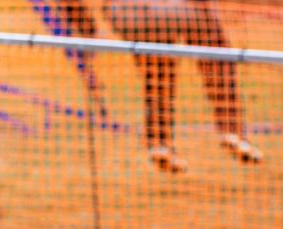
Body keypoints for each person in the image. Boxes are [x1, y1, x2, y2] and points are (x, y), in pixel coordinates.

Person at [104, 0, 262, 173]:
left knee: (158, 76)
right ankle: (233, 132)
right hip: (173, 10)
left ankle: (159, 144)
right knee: (218, 60)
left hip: (130, 12)